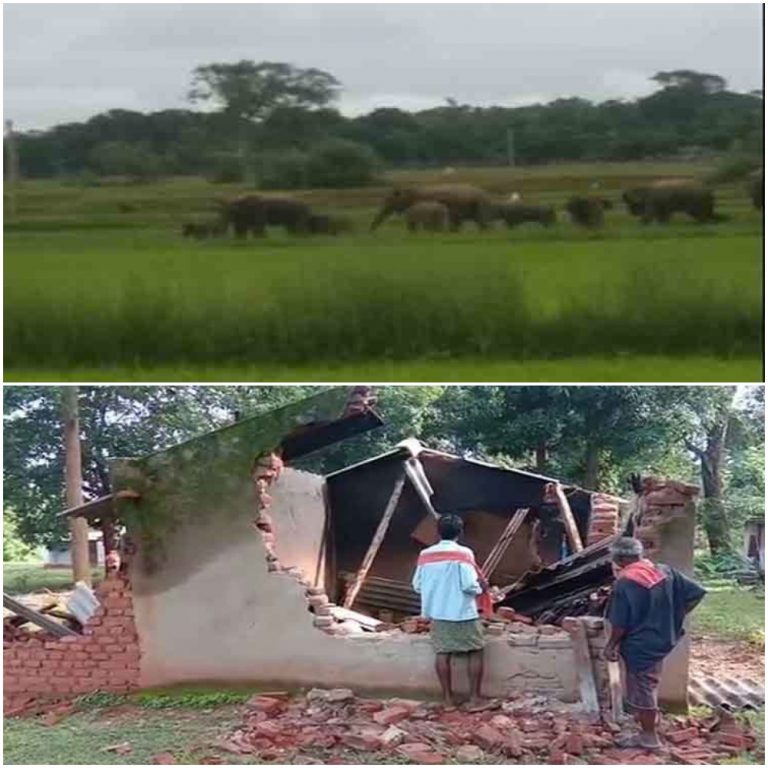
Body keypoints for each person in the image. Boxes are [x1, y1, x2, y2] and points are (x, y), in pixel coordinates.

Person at [604, 537, 706, 750]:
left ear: (621, 558)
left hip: (640, 644)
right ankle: (647, 722)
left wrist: (611, 645)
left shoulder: (625, 582)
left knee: (643, 687)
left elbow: (620, 623)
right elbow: (696, 593)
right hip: (664, 637)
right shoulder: (663, 571)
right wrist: (674, 616)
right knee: (649, 682)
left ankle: (649, 737)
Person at [411, 513, 493, 710]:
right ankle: (474, 699)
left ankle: (447, 700)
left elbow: (417, 585)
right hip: (462, 612)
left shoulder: (425, 555)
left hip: (438, 612)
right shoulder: (464, 554)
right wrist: (481, 588)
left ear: (438, 532)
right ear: (460, 532)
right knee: (476, 650)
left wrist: (436, 593)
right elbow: (468, 585)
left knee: (443, 652)